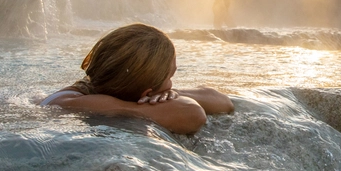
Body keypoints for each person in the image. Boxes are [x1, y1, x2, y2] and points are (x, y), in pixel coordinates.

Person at [40, 24, 233, 134]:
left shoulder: (110, 85)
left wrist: (170, 93)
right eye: (171, 77)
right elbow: (193, 114)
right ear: (145, 92)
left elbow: (224, 102)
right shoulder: (70, 101)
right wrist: (154, 100)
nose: (172, 84)